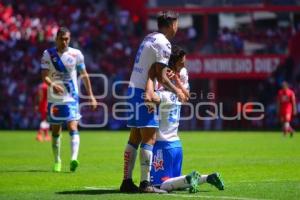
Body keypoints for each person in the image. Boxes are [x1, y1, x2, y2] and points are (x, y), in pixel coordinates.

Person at [120, 11, 188, 193]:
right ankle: (145, 184)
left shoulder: (149, 37)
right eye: (177, 24)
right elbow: (160, 75)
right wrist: (178, 90)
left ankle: (126, 181)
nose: (177, 27)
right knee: (149, 137)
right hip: (144, 93)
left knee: (134, 136)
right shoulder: (163, 43)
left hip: (133, 89)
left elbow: (154, 70)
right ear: (172, 24)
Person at [150, 45, 224, 193]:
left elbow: (150, 96)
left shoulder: (162, 95)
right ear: (173, 62)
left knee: (160, 186)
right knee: (175, 184)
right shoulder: (176, 95)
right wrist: (176, 83)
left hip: (162, 144)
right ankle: (208, 178)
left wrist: (168, 79)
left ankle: (191, 177)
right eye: (182, 62)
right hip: (177, 144)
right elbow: (184, 97)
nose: (184, 64)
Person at [41, 27, 97, 172]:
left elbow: (84, 75)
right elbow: (44, 76)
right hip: (54, 99)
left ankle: (73, 159)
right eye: (62, 39)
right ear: (56, 39)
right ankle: (57, 160)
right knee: (56, 130)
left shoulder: (76, 54)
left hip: (71, 97)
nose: (64, 42)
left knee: (73, 126)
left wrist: (91, 95)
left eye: (67, 39)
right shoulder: (48, 54)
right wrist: (52, 84)